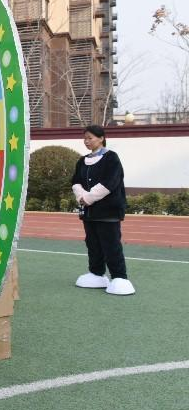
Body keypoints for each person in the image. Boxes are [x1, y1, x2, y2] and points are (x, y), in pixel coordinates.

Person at [72, 124, 135, 296]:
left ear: (101, 138)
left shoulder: (111, 158)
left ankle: (119, 276)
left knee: (111, 244)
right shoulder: (82, 161)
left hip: (108, 212)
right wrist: (81, 197)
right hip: (89, 213)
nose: (87, 141)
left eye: (90, 138)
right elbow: (75, 181)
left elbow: (110, 182)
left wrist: (88, 197)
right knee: (92, 244)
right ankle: (96, 273)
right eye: (85, 138)